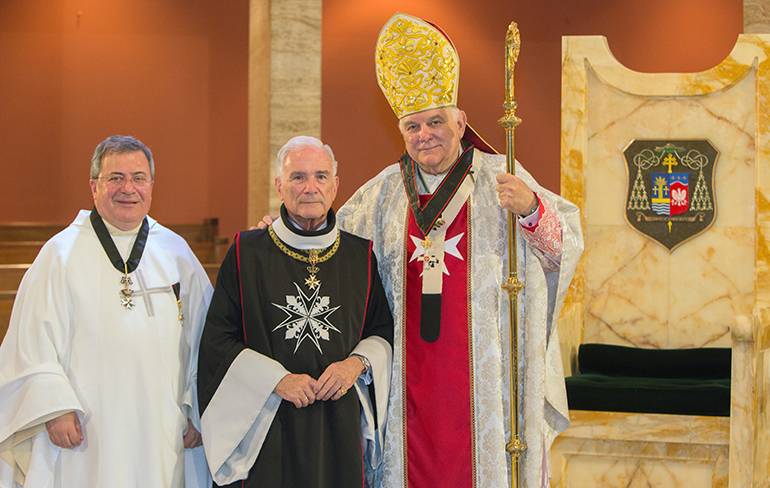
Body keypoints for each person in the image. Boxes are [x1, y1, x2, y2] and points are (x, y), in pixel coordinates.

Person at [337, 13, 583, 488]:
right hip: (406, 384)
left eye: (436, 121)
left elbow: (564, 250)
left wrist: (532, 210)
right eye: (413, 126)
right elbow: (330, 242)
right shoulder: (382, 195)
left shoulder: (502, 176)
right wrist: (282, 231)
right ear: (401, 132)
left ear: (461, 120)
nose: (425, 134)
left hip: (486, 380)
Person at [0, 135, 213, 488]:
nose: (128, 188)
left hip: (162, 425)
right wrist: (53, 407)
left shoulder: (177, 252)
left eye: (138, 178)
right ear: (94, 186)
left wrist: (197, 409)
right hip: (85, 428)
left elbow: (206, 339)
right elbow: (30, 341)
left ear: (151, 185)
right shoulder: (60, 255)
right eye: (115, 178)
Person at [197, 136, 394, 488]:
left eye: (320, 176)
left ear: (335, 185)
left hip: (339, 423)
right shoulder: (246, 252)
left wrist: (355, 365)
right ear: (279, 185)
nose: (309, 188)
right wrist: (276, 379)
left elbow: (381, 329)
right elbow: (217, 340)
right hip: (266, 422)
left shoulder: (359, 256)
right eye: (298, 177)